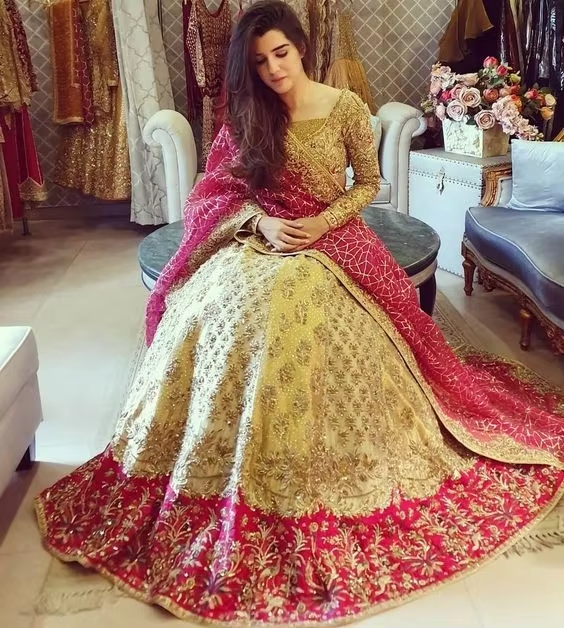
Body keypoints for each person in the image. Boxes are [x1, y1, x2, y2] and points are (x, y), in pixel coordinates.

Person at [35, 1, 564, 625]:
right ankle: (212, 459)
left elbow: (366, 186)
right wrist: (260, 222)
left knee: (295, 311)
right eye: (259, 62)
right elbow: (219, 190)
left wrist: (319, 224)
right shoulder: (248, 111)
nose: (273, 70)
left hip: (330, 238)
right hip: (258, 235)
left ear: (301, 48)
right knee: (220, 307)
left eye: (281, 54)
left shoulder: (343, 106)